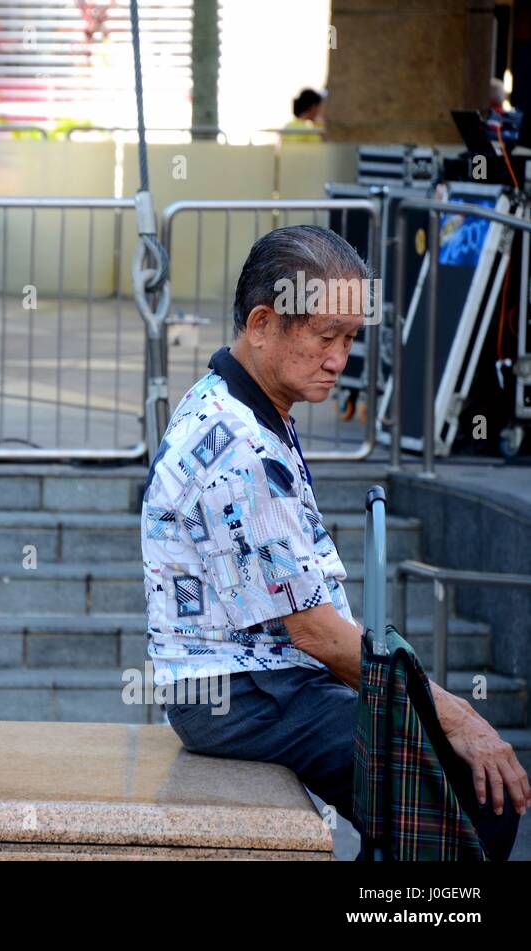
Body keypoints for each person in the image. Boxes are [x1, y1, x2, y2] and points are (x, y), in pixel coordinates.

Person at [140, 225, 528, 840]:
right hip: (247, 693)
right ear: (263, 324)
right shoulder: (235, 446)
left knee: (456, 786)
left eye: (350, 339)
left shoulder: (241, 401)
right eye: (326, 336)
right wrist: (454, 716)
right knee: (472, 796)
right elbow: (315, 633)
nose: (339, 360)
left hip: (266, 680)